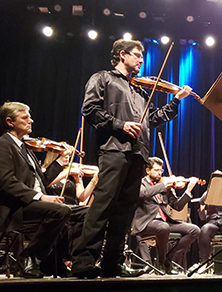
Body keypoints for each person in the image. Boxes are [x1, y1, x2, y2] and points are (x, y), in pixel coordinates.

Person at [72, 38, 192, 279]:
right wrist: (120, 125)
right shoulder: (102, 78)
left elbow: (152, 119)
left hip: (139, 155)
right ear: (122, 55)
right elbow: (90, 109)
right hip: (114, 150)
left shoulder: (139, 89)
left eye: (142, 55)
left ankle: (112, 263)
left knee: (125, 211)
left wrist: (176, 101)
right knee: (103, 206)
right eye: (137, 54)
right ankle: (83, 260)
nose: (141, 59)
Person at [0, 102, 72, 279]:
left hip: (35, 204)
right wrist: (40, 197)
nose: (31, 120)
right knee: (61, 211)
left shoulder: (27, 149)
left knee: (86, 213)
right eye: (25, 117)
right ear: (9, 122)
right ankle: (29, 256)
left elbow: (42, 181)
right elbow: (6, 182)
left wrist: (60, 161)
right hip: (16, 207)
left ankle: (56, 261)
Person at [132, 157, 200, 275]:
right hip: (146, 222)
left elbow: (177, 206)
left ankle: (170, 260)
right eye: (156, 170)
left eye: (161, 171)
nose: (160, 173)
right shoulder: (140, 183)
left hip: (164, 222)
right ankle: (162, 261)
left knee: (194, 230)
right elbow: (144, 193)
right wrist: (163, 185)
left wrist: (188, 190)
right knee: (163, 227)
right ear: (148, 171)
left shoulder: (165, 186)